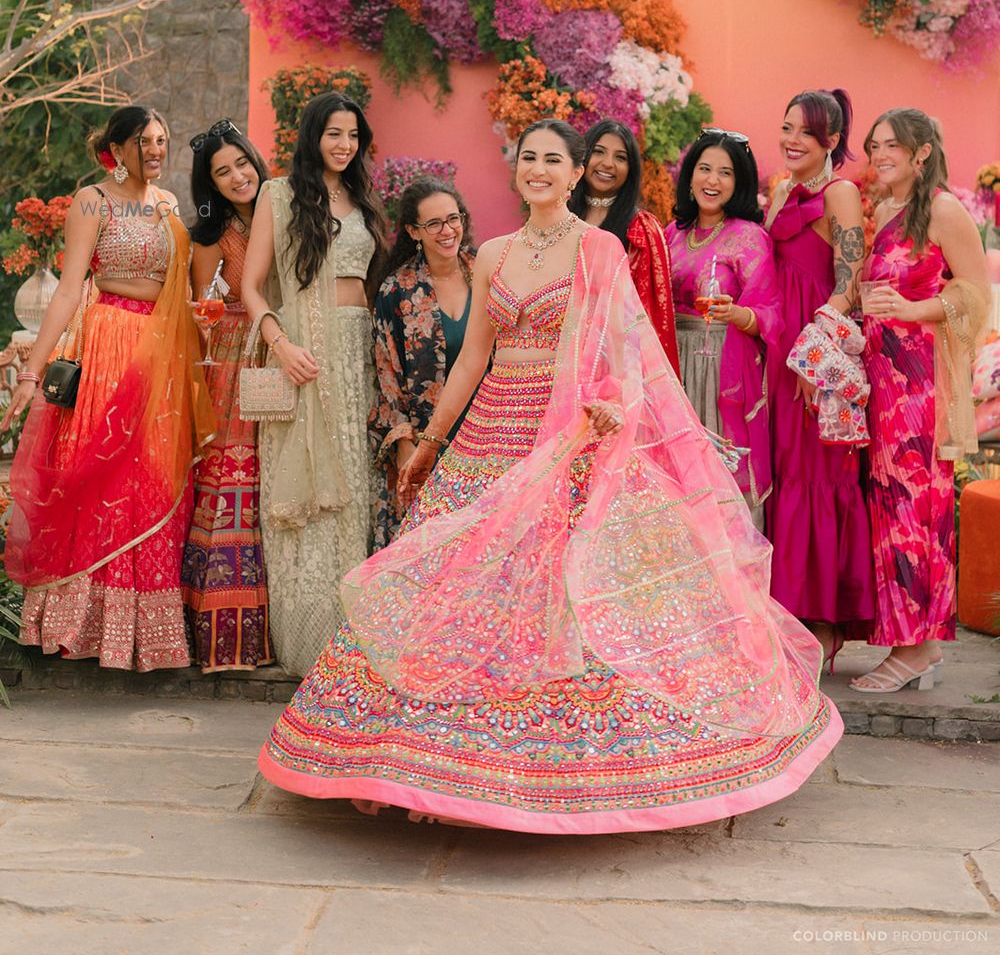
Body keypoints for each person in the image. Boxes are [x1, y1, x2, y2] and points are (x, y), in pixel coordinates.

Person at [258, 119, 841, 832]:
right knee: (458, 589)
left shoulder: (599, 250)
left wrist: (607, 406)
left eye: (553, 161)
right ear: (518, 172)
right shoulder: (492, 253)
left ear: (575, 176)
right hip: (487, 437)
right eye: (528, 157)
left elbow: (627, 352)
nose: (538, 169)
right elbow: (473, 357)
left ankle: (546, 768)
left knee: (555, 593)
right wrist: (431, 441)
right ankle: (419, 764)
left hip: (565, 436)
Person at [1, 106, 213, 670]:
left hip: (162, 355)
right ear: (116, 148)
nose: (155, 151)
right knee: (98, 477)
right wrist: (31, 372)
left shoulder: (168, 206)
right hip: (107, 347)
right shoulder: (93, 200)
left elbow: (185, 289)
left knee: (152, 482)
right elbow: (69, 291)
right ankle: (81, 627)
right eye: (144, 141)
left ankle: (147, 638)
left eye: (162, 141)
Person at [241, 93, 387, 676]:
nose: (344, 144)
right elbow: (252, 287)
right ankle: (309, 643)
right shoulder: (278, 195)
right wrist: (281, 346)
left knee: (355, 485)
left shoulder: (365, 199)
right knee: (303, 504)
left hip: (358, 355)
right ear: (312, 136)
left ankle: (354, 642)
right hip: (301, 352)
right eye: (333, 133)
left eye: (353, 134)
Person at [851, 110, 988, 695]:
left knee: (917, 513)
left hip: (919, 386)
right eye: (874, 145)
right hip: (881, 383)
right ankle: (908, 642)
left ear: (923, 153)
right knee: (888, 510)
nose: (879, 155)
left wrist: (913, 311)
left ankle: (920, 648)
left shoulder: (945, 210)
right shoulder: (884, 212)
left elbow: (976, 295)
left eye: (892, 146)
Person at [765, 88, 873, 668]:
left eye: (805, 132)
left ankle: (825, 623)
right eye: (786, 127)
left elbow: (848, 282)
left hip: (813, 356)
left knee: (820, 476)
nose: (791, 140)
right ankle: (785, 617)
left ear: (830, 141)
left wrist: (815, 359)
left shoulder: (843, 193)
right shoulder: (781, 191)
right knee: (783, 477)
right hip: (774, 353)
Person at [181, 119, 274, 672]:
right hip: (236, 362)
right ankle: (226, 636)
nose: (238, 176)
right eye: (223, 171)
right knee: (233, 481)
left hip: (286, 349)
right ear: (211, 184)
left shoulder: (283, 206)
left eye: (242, 163)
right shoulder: (213, 236)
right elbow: (200, 310)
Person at [666, 129, 781, 524]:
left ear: (740, 181)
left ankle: (733, 580)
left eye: (725, 173)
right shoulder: (671, 234)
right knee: (674, 487)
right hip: (673, 368)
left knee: (720, 484)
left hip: (721, 370)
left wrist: (736, 315)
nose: (712, 181)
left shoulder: (749, 239)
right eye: (704, 169)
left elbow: (771, 314)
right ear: (690, 175)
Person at [369, 177, 476, 550]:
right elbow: (385, 375)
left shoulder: (488, 274)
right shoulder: (395, 291)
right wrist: (403, 443)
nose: (448, 231)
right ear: (414, 231)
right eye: (434, 224)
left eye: (453, 219)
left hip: (486, 437)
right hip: (425, 443)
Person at [568, 119, 679, 373]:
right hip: (559, 358)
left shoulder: (641, 228)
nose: (608, 163)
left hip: (616, 365)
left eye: (620, 157)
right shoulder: (560, 219)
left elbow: (653, 314)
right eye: (599, 152)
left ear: (631, 169)